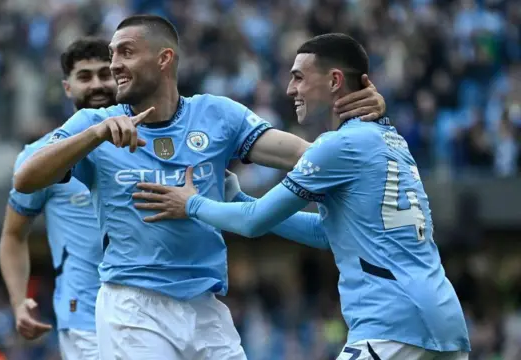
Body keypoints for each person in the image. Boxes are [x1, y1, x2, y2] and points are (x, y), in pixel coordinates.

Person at [13, 15, 387, 359]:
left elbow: (307, 156)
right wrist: (95, 135)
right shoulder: (95, 123)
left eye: (125, 52)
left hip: (205, 305)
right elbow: (26, 177)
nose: (114, 65)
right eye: (113, 54)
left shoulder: (217, 115)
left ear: (164, 59)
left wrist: (367, 123)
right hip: (133, 307)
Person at [132, 33, 471, 360]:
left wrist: (191, 203)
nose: (290, 88)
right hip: (444, 319)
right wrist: (238, 199)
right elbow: (325, 233)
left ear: (335, 80)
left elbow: (253, 224)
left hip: (394, 322)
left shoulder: (339, 146)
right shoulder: (390, 139)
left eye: (298, 77)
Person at [0, 37, 116, 360]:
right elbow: (13, 235)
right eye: (85, 76)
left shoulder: (150, 142)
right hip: (85, 317)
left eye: (105, 74)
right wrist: (18, 301)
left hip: (153, 311)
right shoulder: (42, 158)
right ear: (67, 88)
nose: (96, 84)